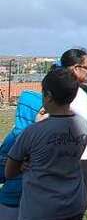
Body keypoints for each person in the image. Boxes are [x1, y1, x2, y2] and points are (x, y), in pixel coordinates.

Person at [5, 69, 87, 220]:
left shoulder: (32, 132)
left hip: (41, 208)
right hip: (74, 202)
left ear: (48, 96)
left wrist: (23, 164)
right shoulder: (83, 126)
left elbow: (9, 172)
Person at [57, 48, 87, 205]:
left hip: (81, 157)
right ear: (75, 68)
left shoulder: (79, 90)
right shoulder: (73, 94)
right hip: (79, 159)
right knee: (77, 205)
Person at [0, 91, 42, 220]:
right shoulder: (14, 138)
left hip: (31, 199)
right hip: (14, 200)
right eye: (43, 112)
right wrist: (15, 165)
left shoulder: (43, 135)